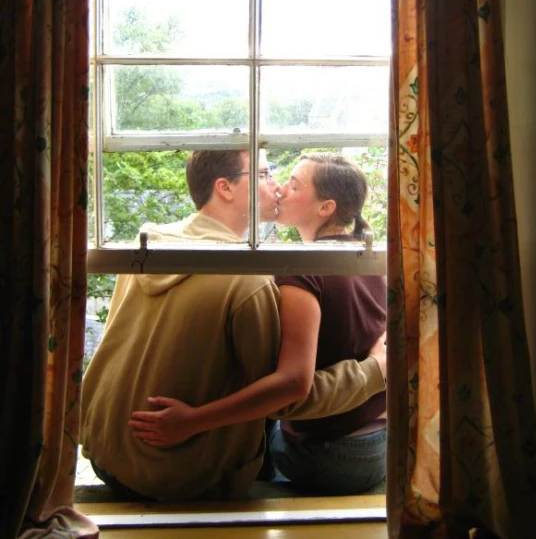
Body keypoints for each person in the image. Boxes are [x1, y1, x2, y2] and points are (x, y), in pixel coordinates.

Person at [81, 150, 386, 501]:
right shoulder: (250, 282)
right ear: (224, 188)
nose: (277, 186)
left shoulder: (148, 246)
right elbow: (286, 395)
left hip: (104, 450)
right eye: (264, 174)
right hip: (175, 474)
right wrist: (375, 370)